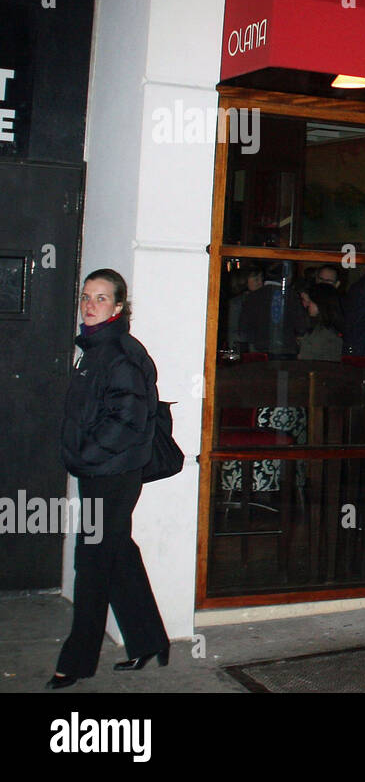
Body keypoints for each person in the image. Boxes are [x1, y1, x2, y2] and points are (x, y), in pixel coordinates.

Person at [47, 269, 170, 689]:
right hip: (102, 469)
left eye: (101, 298)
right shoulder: (96, 348)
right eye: (86, 297)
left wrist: (86, 454)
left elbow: (128, 419)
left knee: (93, 561)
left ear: (119, 307)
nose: (90, 304)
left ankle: (76, 662)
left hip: (113, 473)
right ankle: (148, 639)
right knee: (116, 554)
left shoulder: (118, 351)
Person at [296, 282, 346, 361]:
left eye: (311, 301)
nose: (307, 305)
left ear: (320, 303)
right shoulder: (323, 329)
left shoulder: (325, 333)